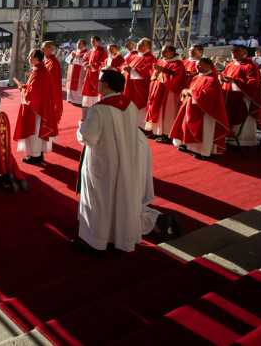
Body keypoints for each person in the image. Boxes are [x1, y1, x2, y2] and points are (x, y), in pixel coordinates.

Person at [74, 70, 182, 256]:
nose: (97, 84)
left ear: (105, 85)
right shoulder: (130, 105)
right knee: (120, 201)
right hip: (126, 161)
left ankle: (96, 243)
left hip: (104, 164)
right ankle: (118, 239)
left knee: (100, 201)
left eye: (99, 81)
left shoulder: (99, 109)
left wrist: (81, 126)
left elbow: (88, 137)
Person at [170, 57, 231, 160]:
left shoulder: (213, 79)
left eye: (199, 65)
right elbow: (189, 89)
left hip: (206, 111)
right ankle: (194, 149)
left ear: (208, 66)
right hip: (192, 108)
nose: (197, 67)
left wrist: (191, 92)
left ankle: (205, 152)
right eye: (196, 65)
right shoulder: (196, 77)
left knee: (205, 131)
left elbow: (209, 95)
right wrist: (185, 91)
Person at [14, 49, 58, 166]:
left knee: (35, 131)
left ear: (36, 59)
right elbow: (33, 87)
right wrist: (25, 87)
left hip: (36, 108)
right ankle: (38, 154)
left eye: (30, 57)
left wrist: (23, 89)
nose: (28, 58)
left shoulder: (39, 72)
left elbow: (34, 92)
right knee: (38, 131)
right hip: (40, 107)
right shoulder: (40, 70)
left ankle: (35, 156)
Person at [220, 44, 261, 146]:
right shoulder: (231, 64)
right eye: (233, 51)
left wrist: (234, 80)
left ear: (245, 53)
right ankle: (227, 139)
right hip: (228, 95)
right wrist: (222, 77)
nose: (233, 53)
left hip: (242, 97)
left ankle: (241, 142)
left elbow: (253, 84)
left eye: (237, 51)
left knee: (239, 117)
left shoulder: (251, 66)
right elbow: (225, 75)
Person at [145, 44, 187, 143]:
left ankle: (167, 134)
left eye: (165, 51)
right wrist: (155, 72)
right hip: (157, 91)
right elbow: (153, 74)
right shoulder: (161, 61)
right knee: (158, 112)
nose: (162, 53)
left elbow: (177, 78)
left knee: (168, 114)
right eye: (162, 51)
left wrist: (163, 71)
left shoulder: (178, 64)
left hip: (169, 94)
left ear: (172, 53)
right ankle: (157, 131)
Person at [122, 38, 157, 127]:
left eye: (141, 44)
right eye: (138, 44)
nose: (138, 46)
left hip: (139, 88)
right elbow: (125, 64)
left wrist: (132, 70)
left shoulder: (151, 58)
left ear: (148, 46)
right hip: (129, 85)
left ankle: (141, 126)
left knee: (139, 108)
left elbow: (148, 72)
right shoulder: (134, 56)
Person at [81, 36, 108, 117]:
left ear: (98, 42)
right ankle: (88, 111)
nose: (92, 43)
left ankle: (96, 112)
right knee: (88, 93)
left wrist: (92, 66)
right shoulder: (91, 51)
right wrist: (86, 63)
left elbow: (103, 63)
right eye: (91, 41)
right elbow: (87, 59)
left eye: (94, 41)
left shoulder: (102, 51)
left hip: (96, 75)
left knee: (96, 92)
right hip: (89, 74)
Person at [42, 41, 63, 127]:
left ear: (50, 49)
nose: (42, 49)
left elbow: (52, 81)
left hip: (49, 94)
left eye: (44, 47)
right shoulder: (46, 60)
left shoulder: (53, 63)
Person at [65, 40, 88, 107]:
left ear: (84, 45)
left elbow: (84, 62)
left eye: (80, 43)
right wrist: (72, 58)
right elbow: (67, 59)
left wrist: (76, 57)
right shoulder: (74, 51)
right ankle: (71, 98)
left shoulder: (86, 53)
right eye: (78, 43)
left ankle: (78, 100)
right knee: (71, 83)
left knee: (79, 85)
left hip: (80, 72)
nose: (78, 44)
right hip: (72, 70)